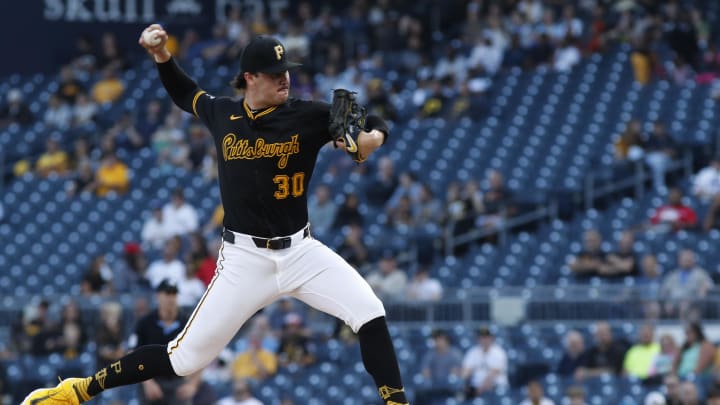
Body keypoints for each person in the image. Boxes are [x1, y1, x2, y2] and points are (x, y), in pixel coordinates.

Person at [22, 27, 409, 405]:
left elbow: (375, 120)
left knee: (370, 311)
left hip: (301, 251)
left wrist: (372, 139)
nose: (285, 79)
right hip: (245, 260)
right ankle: (79, 390)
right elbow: (185, 92)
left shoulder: (308, 115)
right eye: (275, 74)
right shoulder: (223, 113)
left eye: (287, 70)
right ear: (249, 78)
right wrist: (162, 57)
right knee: (183, 359)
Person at [127, 279, 200, 405]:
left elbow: (200, 353)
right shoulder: (145, 323)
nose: (171, 298)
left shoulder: (188, 323)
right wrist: (147, 383)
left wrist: (193, 384)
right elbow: (132, 353)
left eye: (174, 294)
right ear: (158, 296)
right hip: (151, 380)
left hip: (179, 383)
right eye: (167, 294)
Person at [415, 329, 462, 405]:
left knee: (457, 386)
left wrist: (448, 380)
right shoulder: (430, 353)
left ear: (446, 340)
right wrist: (429, 380)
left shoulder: (455, 353)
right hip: (434, 385)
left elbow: (456, 371)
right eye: (436, 340)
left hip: (449, 386)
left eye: (439, 339)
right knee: (421, 390)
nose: (437, 342)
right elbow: (425, 370)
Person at [461, 327, 508, 398]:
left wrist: (480, 389)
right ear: (478, 339)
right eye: (482, 337)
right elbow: (466, 371)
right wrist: (462, 380)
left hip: (496, 387)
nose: (485, 340)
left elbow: (493, 374)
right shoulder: (473, 352)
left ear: (491, 338)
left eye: (487, 337)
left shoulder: (499, 352)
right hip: (476, 387)